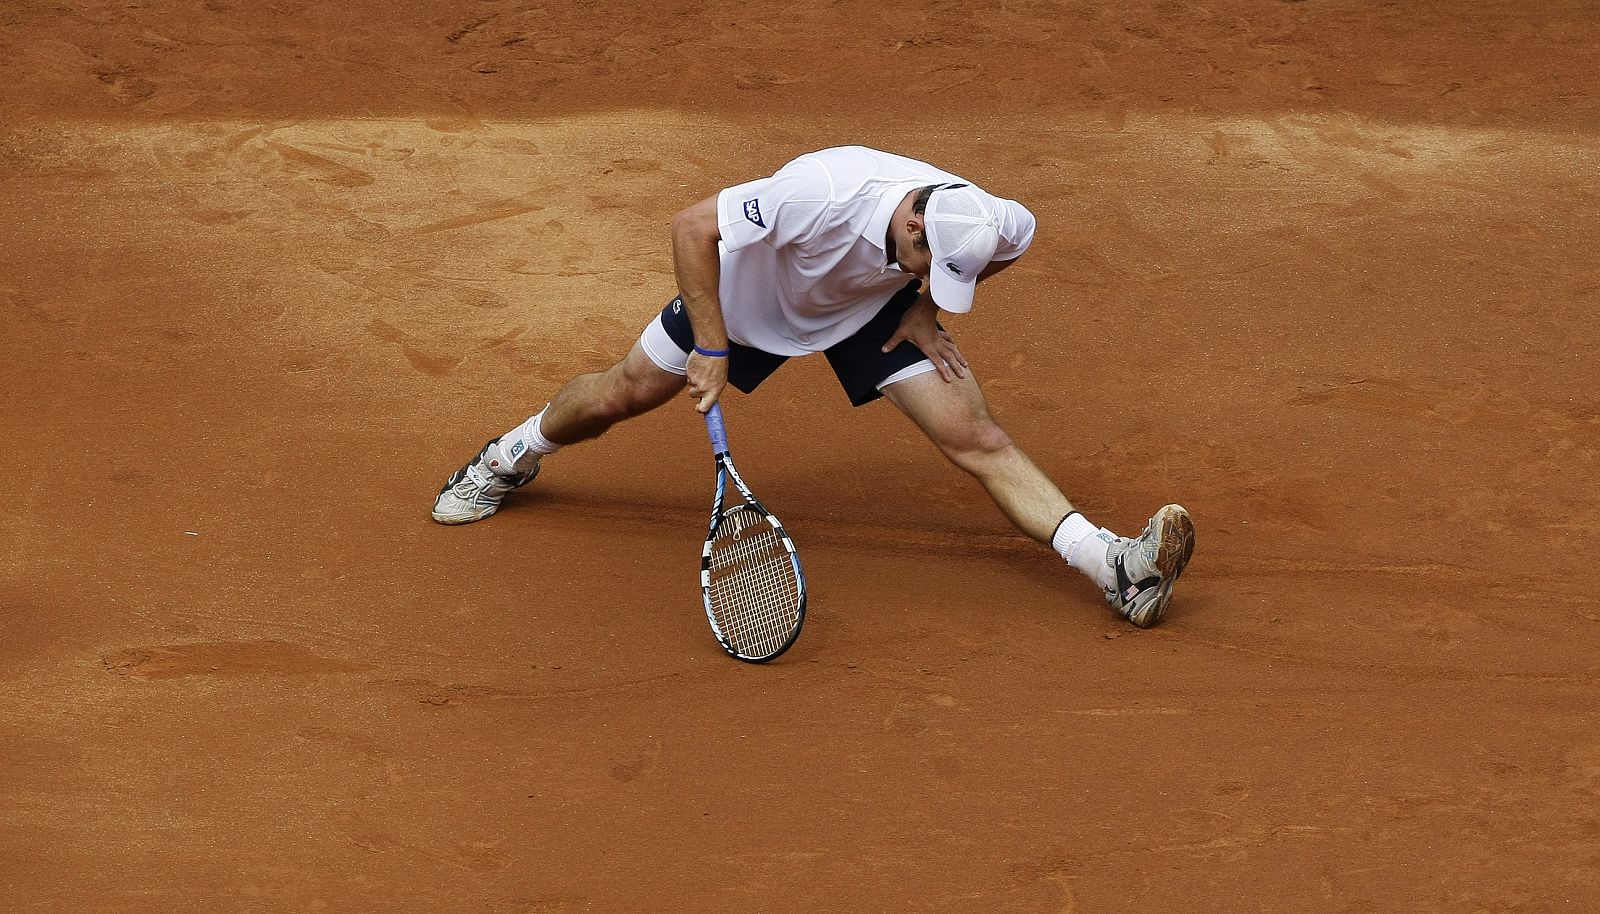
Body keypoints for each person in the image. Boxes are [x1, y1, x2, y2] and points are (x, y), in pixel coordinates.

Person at [432, 146, 1194, 627]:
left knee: (976, 437)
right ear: (914, 226)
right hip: (747, 306)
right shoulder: (823, 192)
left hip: (867, 312)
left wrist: (925, 304)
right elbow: (691, 226)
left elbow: (1015, 242)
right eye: (932, 265)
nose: (939, 276)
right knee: (618, 395)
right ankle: (508, 456)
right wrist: (709, 344)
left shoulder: (981, 216)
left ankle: (1115, 569)